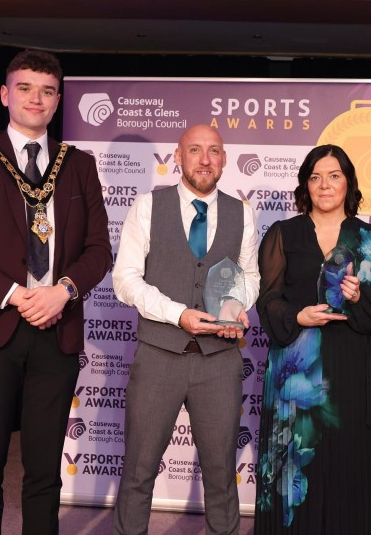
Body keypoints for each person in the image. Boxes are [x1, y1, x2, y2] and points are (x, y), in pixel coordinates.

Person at [0, 49, 112, 534]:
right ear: (4, 94)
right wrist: (16, 293)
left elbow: (99, 250)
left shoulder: (78, 165)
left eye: (48, 91)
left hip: (57, 329)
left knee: (42, 473)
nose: (37, 99)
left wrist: (64, 291)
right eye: (26, 88)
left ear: (59, 101)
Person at [111, 124, 260, 535]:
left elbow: (249, 276)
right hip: (159, 356)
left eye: (214, 151)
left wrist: (237, 305)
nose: (205, 159)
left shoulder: (241, 212)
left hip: (219, 362)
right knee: (139, 472)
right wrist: (178, 314)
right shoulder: (146, 206)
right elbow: (124, 279)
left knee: (220, 476)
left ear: (225, 158)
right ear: (177, 157)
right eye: (194, 150)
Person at [254, 144, 371, 534]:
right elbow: (267, 298)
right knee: (292, 462)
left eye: (334, 175)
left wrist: (359, 296)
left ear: (348, 182)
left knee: (348, 462)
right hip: (293, 366)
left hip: (352, 366)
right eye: (316, 177)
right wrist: (296, 315)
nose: (325, 185)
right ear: (306, 184)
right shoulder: (283, 234)